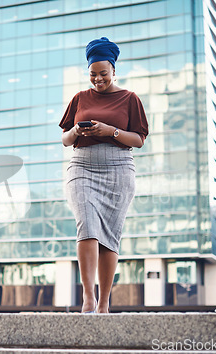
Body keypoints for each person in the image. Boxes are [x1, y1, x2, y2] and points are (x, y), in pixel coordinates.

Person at [59, 37, 149, 313]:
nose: (98, 79)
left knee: (109, 235)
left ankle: (104, 303)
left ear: (113, 70)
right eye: (92, 74)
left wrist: (110, 131)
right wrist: (79, 131)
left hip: (118, 169)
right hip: (82, 166)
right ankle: (87, 297)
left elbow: (139, 139)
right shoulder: (79, 98)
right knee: (86, 224)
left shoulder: (130, 98)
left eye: (103, 74)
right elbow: (65, 138)